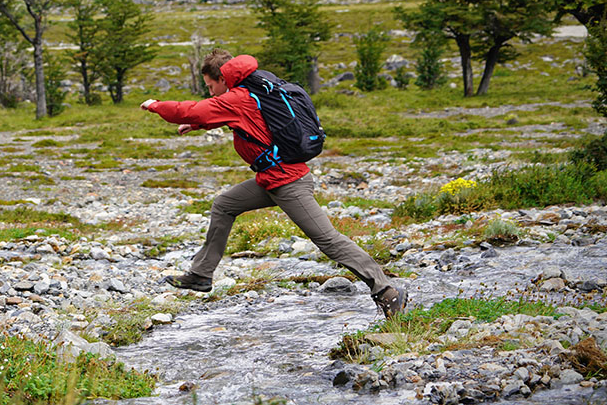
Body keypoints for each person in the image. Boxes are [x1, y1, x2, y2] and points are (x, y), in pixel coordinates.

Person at [140, 49, 408, 319]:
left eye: (211, 86)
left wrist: (155, 105)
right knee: (224, 205)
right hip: (272, 179)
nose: (211, 93)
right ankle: (200, 275)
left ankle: (387, 292)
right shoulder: (252, 91)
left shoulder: (238, 97)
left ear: (223, 79)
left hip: (289, 182)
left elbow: (194, 110)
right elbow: (244, 121)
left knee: (328, 241)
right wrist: (197, 126)